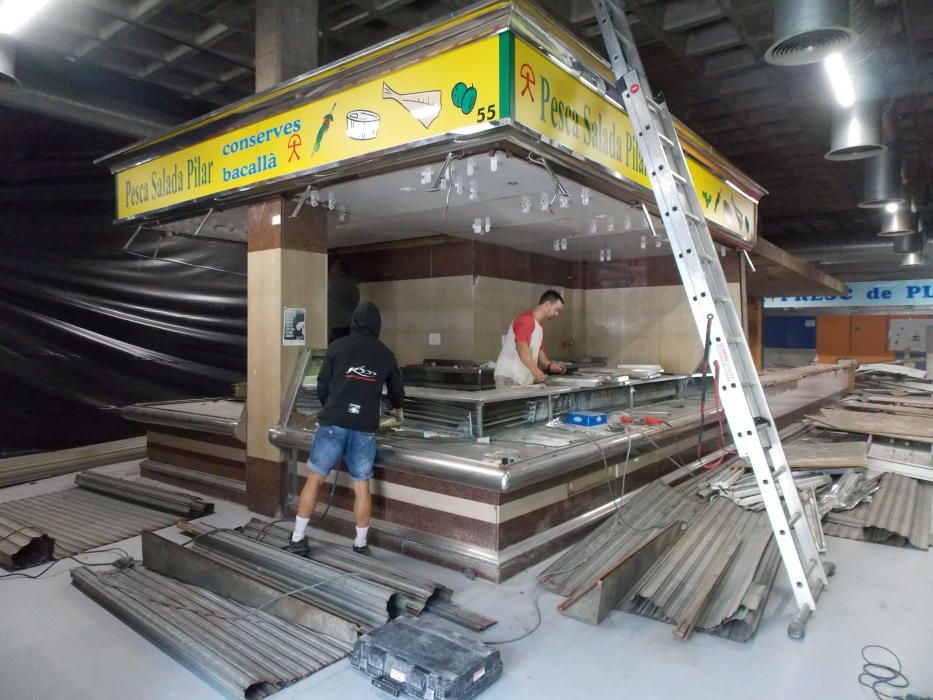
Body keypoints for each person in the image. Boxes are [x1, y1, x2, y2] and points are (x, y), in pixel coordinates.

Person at [291, 302, 404, 555]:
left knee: (315, 479)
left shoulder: (337, 347)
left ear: (354, 321)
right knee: (361, 485)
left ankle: (298, 538)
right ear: (377, 325)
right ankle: (360, 544)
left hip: (333, 423)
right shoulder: (385, 354)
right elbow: (398, 394)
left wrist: (332, 407)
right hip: (364, 426)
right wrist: (396, 408)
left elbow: (322, 385)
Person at [494, 290, 567, 388]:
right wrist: (536, 371)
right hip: (509, 377)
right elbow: (521, 348)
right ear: (547, 304)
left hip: (520, 379)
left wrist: (550, 366)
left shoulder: (538, 325)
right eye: (556, 309)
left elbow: (540, 352)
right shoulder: (526, 320)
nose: (557, 314)